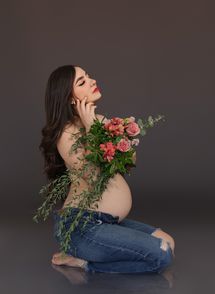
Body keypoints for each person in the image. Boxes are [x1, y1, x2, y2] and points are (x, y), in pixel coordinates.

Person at [39, 64, 175, 274]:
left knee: (168, 242)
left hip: (106, 222)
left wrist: (99, 127)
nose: (92, 81)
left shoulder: (100, 122)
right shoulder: (66, 134)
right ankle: (84, 261)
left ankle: (87, 256)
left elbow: (130, 160)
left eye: (88, 76)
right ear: (69, 98)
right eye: (82, 82)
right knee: (162, 255)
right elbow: (94, 175)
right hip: (81, 226)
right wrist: (91, 127)